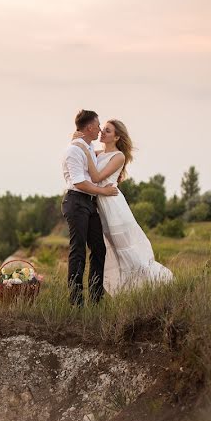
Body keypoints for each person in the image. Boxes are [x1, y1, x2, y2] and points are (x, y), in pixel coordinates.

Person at [73, 119, 173, 295]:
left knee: (128, 250)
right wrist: (76, 141)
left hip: (113, 206)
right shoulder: (97, 153)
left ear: (117, 137)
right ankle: (127, 292)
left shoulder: (118, 156)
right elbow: (81, 156)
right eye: (103, 129)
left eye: (108, 131)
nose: (102, 132)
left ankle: (158, 282)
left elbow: (96, 177)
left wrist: (85, 151)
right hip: (100, 206)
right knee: (109, 251)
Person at [61, 110, 119, 307]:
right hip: (76, 201)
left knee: (99, 248)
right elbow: (79, 183)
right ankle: (76, 302)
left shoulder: (88, 146)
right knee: (78, 251)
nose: (100, 129)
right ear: (89, 127)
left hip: (88, 203)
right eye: (98, 125)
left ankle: (96, 299)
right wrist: (103, 191)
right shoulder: (73, 151)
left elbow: (103, 158)